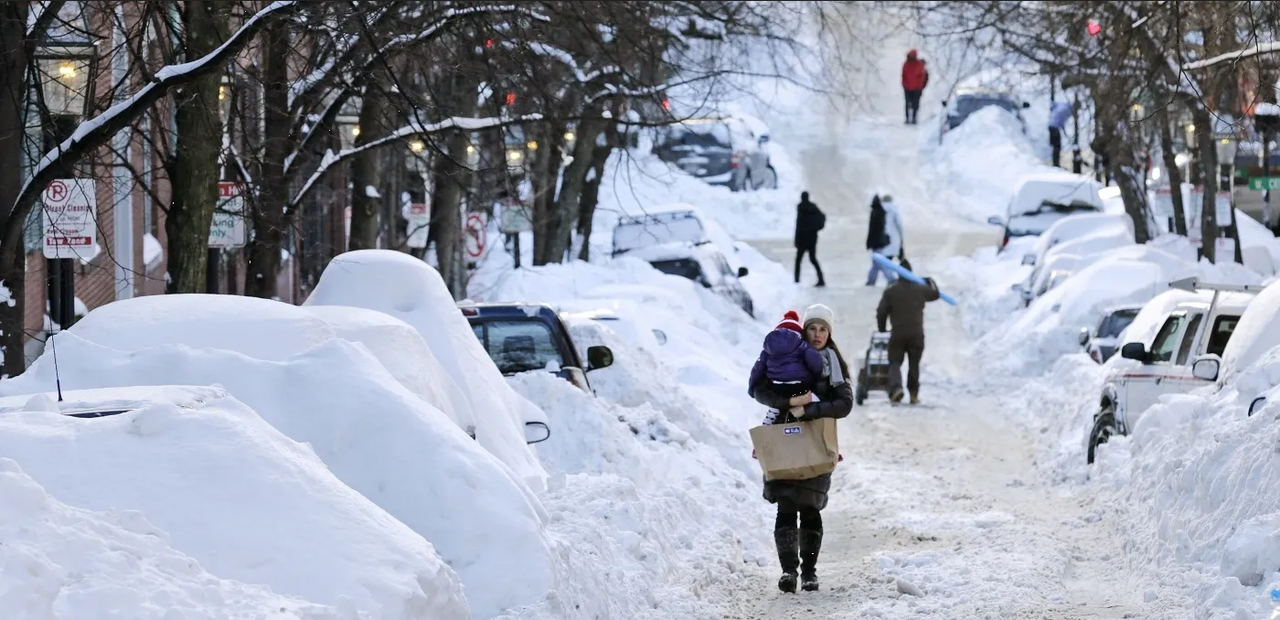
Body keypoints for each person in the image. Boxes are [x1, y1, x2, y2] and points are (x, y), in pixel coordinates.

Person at [749, 304, 853, 594]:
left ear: (829, 333)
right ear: (804, 330)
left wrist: (808, 409)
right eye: (813, 328)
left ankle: (809, 573)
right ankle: (787, 572)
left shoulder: (831, 362)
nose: (818, 334)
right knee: (785, 506)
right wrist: (787, 403)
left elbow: (844, 403)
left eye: (824, 329)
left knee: (810, 507)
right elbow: (758, 389)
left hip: (816, 441)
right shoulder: (784, 355)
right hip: (782, 439)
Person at [875, 259, 941, 404]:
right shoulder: (920, 289)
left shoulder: (891, 291)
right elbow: (936, 294)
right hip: (916, 334)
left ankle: (896, 388)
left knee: (894, 362)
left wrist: (882, 328)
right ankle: (913, 394)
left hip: (898, 333)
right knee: (914, 364)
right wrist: (930, 281)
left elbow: (881, 311)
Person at [748, 310, 825, 423]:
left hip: (776, 386)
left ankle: (772, 415)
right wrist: (818, 375)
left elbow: (757, 369)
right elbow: (815, 361)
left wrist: (751, 388)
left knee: (776, 403)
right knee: (813, 400)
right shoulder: (802, 345)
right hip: (799, 386)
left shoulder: (768, 348)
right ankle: (809, 421)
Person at [865, 194, 904, 286]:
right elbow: (899, 226)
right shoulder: (893, 210)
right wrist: (901, 241)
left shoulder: (876, 211)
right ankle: (890, 280)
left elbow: (873, 229)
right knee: (881, 262)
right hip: (889, 241)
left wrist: (869, 242)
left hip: (880, 241)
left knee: (878, 262)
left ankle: (872, 281)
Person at [794, 191, 827, 287]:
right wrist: (816, 228)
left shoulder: (801, 209)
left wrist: (796, 240)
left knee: (798, 260)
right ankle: (821, 278)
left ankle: (796, 280)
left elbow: (798, 226)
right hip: (812, 238)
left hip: (803, 239)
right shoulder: (813, 208)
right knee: (813, 259)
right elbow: (822, 217)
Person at [901, 49, 929, 125]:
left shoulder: (919, 64)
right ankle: (907, 118)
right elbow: (903, 75)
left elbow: (922, 76)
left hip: (917, 88)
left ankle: (914, 117)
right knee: (907, 103)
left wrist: (919, 86)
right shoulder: (906, 64)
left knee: (915, 104)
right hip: (907, 88)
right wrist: (904, 84)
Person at [1049, 100, 1072, 168]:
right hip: (1055, 128)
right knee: (1057, 146)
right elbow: (1062, 122)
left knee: (1054, 145)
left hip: (1050, 126)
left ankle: (1055, 162)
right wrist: (1065, 132)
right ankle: (1056, 164)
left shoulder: (1061, 104)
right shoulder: (1067, 110)